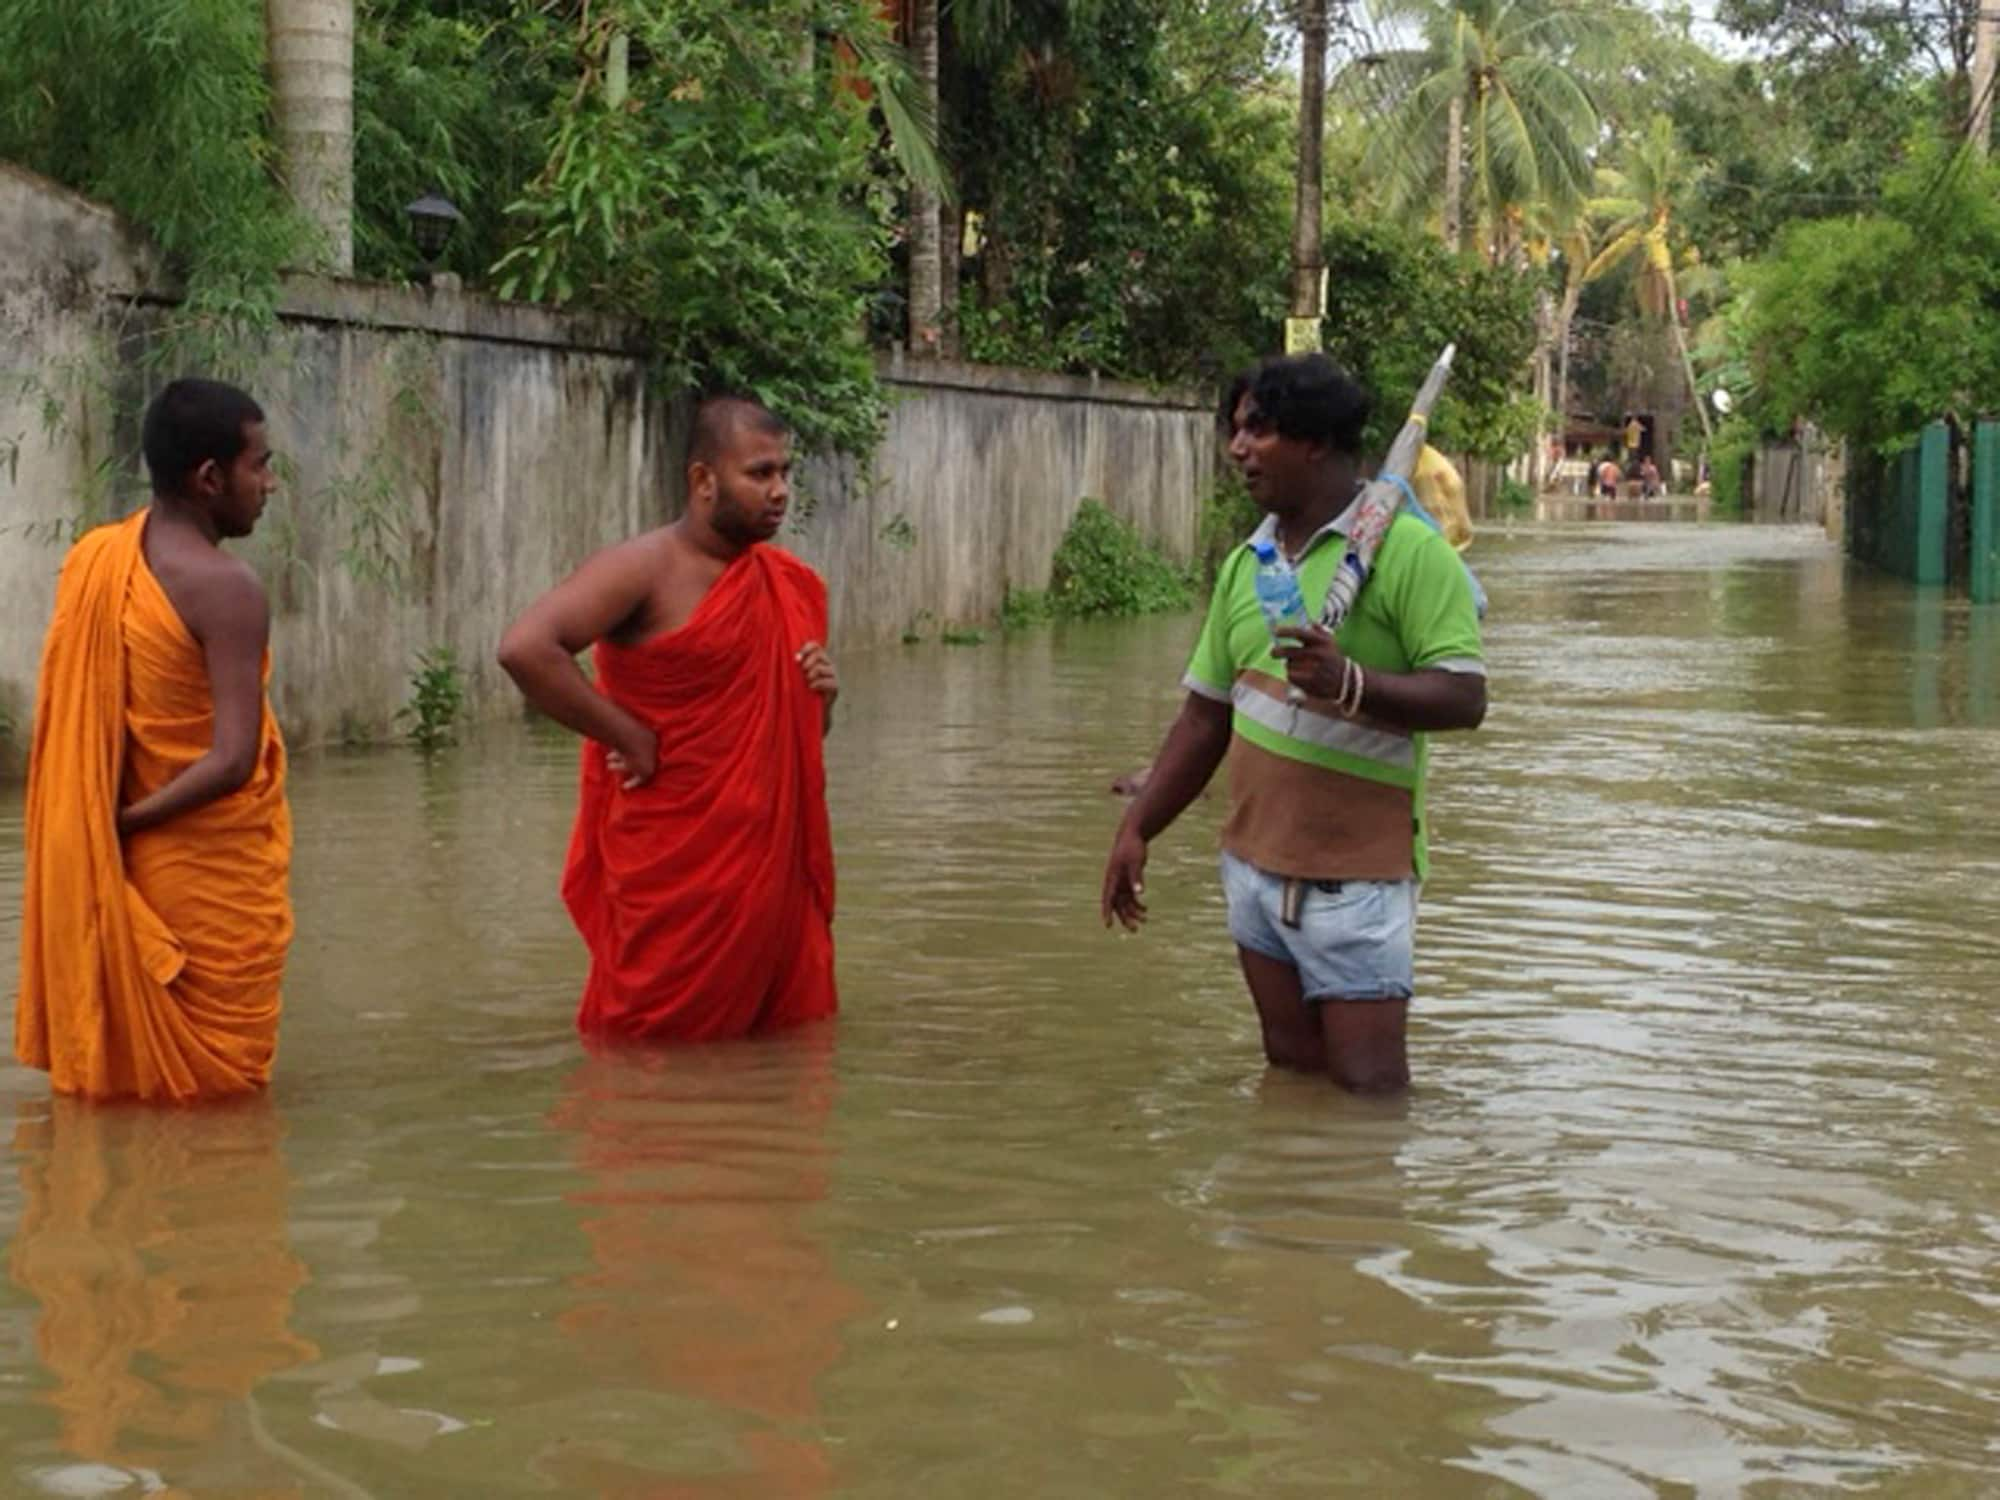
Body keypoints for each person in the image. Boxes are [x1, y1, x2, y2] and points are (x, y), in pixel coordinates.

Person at [1100, 355, 1485, 1093]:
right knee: (1290, 1079)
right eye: (1236, 430)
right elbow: (1205, 717)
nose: (1238, 448)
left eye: (1260, 430)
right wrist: (1138, 828)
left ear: (1315, 442)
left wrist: (1352, 682)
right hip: (1251, 873)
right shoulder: (1250, 562)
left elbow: (1465, 697)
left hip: (1357, 884)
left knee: (1368, 1098)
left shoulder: (1409, 553)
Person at [498, 394, 839, 1043]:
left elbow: (796, 740)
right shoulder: (646, 568)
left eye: (785, 473)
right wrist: (627, 735)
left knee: (780, 1063)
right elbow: (525, 648)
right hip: (677, 876)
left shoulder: (789, 584)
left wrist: (825, 698)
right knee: (647, 1054)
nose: (780, 491)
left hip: (769, 885)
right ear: (703, 480)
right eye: (760, 473)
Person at [15, 378, 292, 1102]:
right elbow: (233, 761)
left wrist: (101, 834)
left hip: (122, 864)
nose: (270, 484)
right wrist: (127, 823)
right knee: (221, 1101)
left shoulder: (98, 558)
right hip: (199, 877)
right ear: (209, 478)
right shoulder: (227, 588)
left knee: (120, 1090)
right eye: (259, 465)